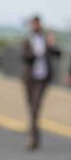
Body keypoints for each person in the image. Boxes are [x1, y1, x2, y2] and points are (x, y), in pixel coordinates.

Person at [22, 15, 59, 150]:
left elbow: (57, 53)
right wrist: (37, 53)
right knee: (31, 106)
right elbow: (25, 57)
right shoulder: (28, 40)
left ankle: (32, 137)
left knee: (35, 106)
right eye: (34, 24)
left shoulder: (46, 39)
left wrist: (52, 44)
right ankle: (35, 135)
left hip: (42, 78)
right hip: (30, 79)